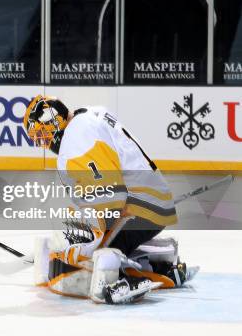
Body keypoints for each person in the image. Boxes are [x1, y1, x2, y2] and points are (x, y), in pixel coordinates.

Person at [23, 95, 198, 304]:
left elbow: (109, 199)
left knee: (89, 255)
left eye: (43, 133)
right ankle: (161, 266)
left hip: (139, 208)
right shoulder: (87, 117)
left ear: (55, 120)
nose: (44, 142)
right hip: (151, 202)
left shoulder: (77, 137)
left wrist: (74, 247)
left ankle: (112, 282)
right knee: (90, 245)